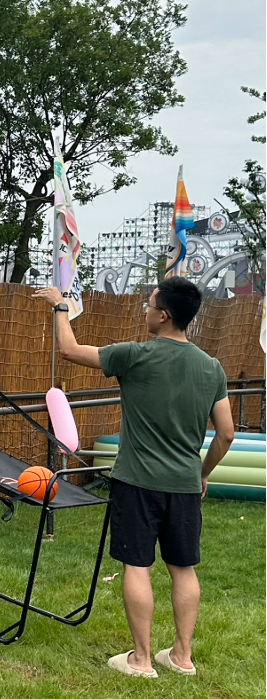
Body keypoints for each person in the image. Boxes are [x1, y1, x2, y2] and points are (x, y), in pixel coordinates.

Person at [33, 278, 234, 678]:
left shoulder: (134, 356)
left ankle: (141, 660)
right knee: (183, 568)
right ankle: (182, 657)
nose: (146, 310)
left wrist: (59, 305)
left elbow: (69, 349)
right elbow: (226, 434)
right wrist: (201, 474)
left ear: (164, 316)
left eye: (150, 305)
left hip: (137, 482)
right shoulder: (211, 367)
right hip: (184, 485)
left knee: (137, 566)